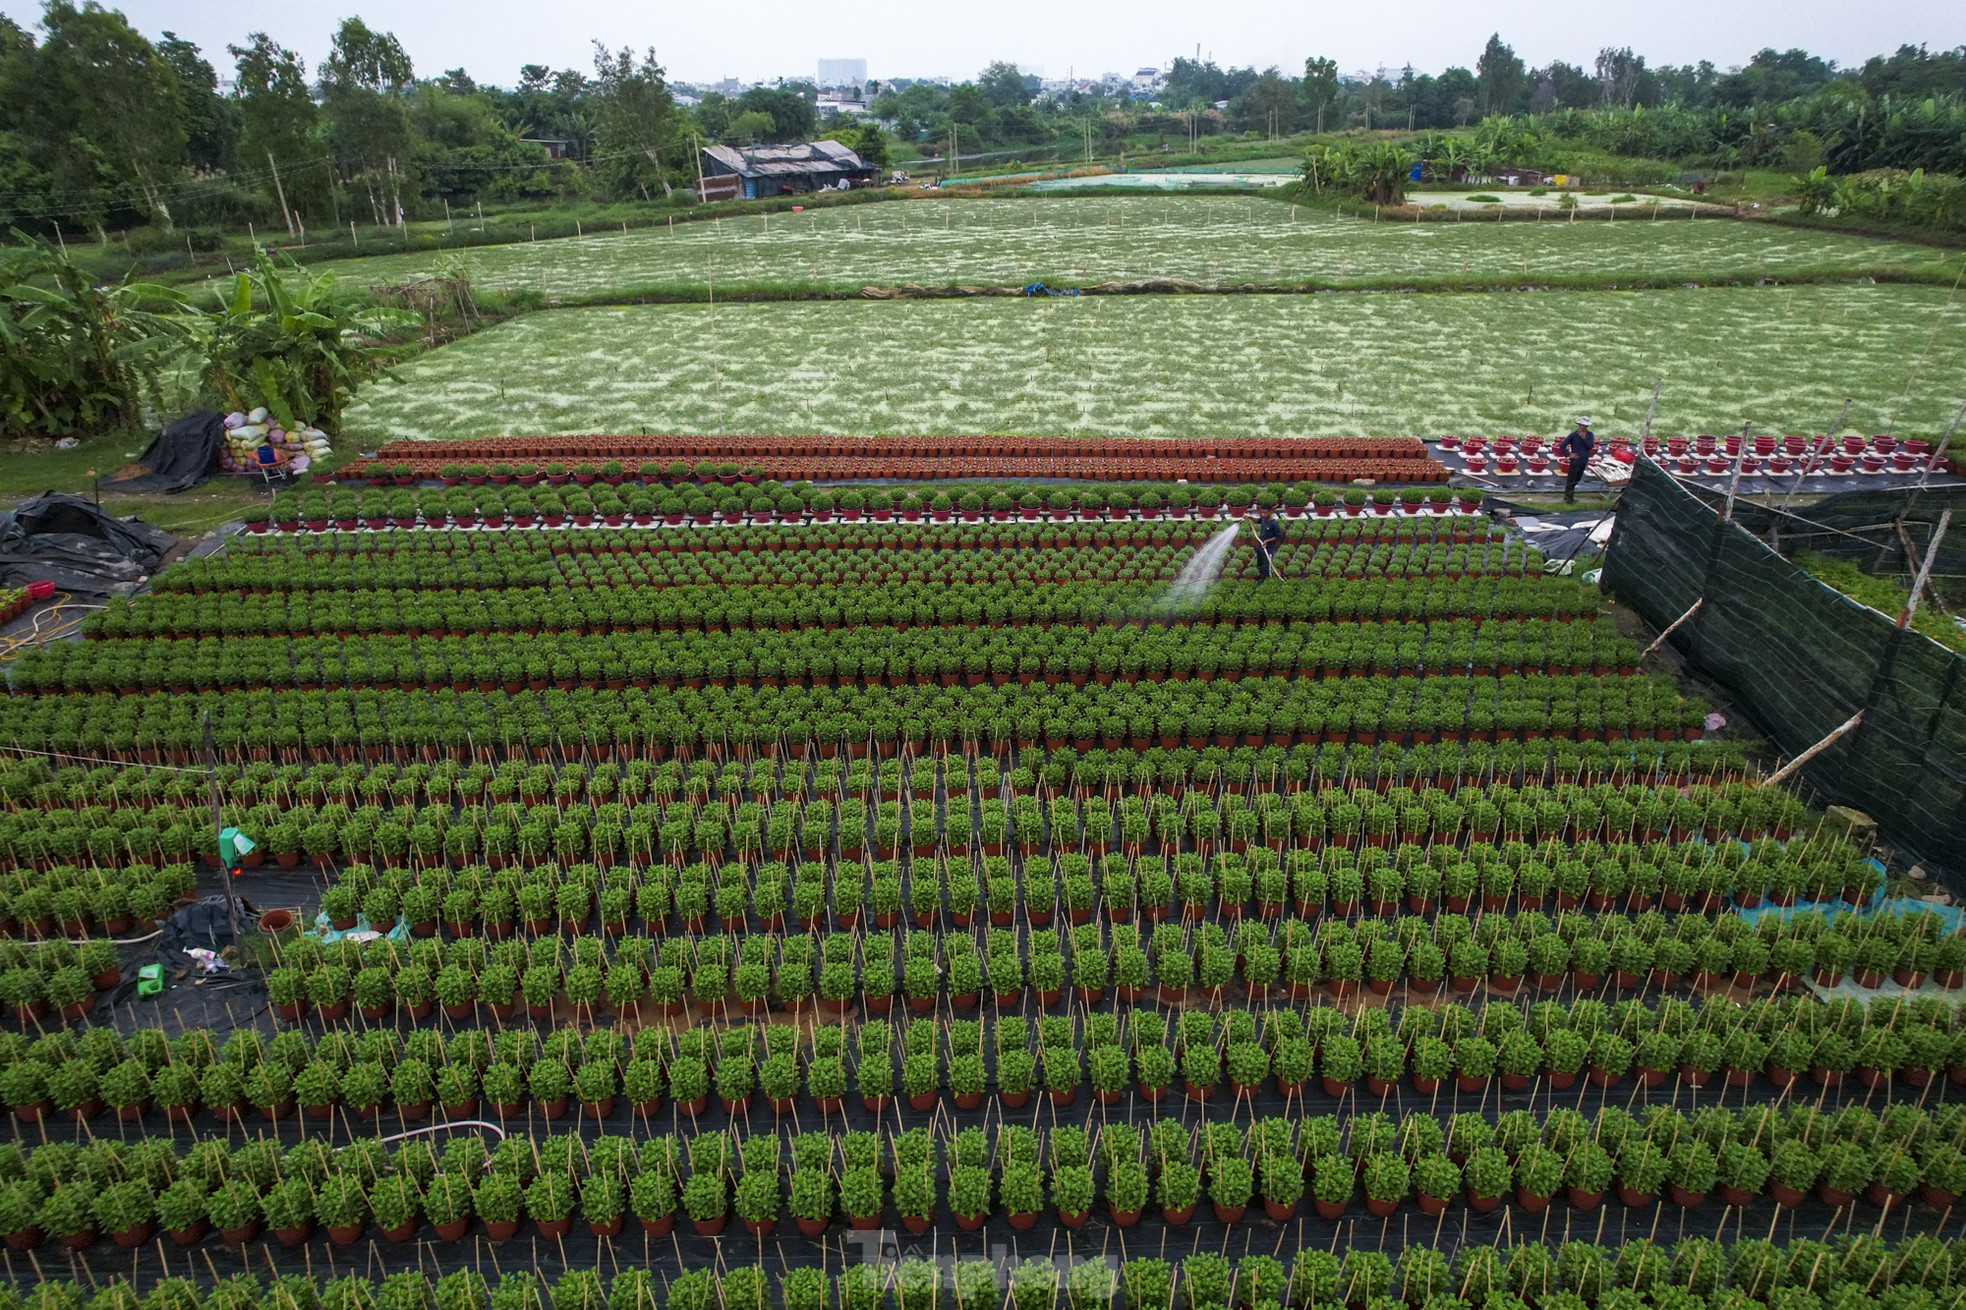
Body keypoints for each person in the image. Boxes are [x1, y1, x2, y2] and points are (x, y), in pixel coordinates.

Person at [1557, 417, 1596, 504]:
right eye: (1582, 425)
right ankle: (1568, 498)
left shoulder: (1590, 435)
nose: (1583, 427)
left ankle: (1570, 495)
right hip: (1575, 461)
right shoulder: (1573, 435)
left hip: (1584, 460)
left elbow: (1590, 446)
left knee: (1578, 478)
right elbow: (1562, 445)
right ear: (1579, 425)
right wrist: (1569, 455)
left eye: (1585, 426)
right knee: (1571, 479)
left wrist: (1584, 438)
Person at [1253, 507, 1285, 582]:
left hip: (1268, 549)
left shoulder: (1274, 523)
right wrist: (1250, 517)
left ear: (1270, 512)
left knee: (1267, 567)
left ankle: (1268, 581)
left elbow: (1279, 536)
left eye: (1265, 513)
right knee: (1260, 565)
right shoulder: (1264, 519)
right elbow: (1258, 520)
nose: (1263, 514)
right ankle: (1261, 578)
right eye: (1262, 513)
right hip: (1260, 548)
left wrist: (1267, 541)